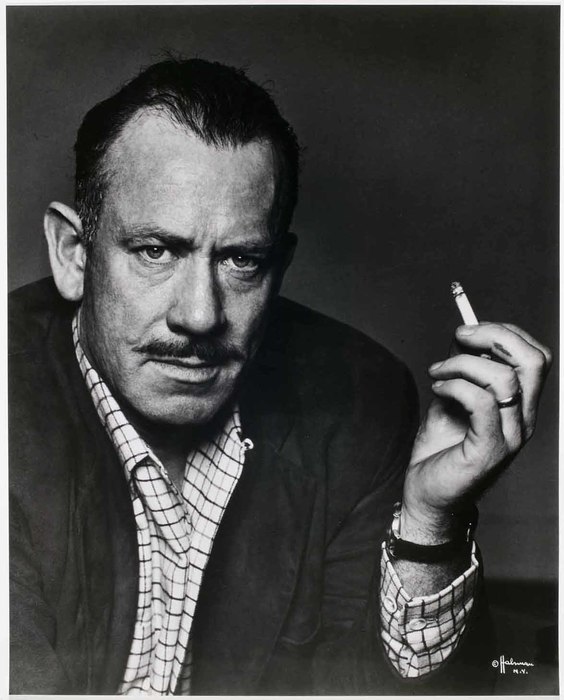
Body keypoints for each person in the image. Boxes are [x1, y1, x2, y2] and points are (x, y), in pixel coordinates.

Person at [9, 58, 551, 695]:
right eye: (156, 251)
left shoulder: (359, 397)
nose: (200, 316)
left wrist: (432, 522)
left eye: (241, 260)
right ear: (73, 254)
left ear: (280, 266)